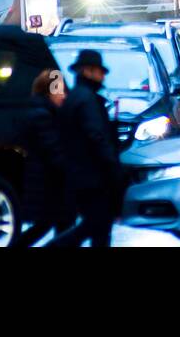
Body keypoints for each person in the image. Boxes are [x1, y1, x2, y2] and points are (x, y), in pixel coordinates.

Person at [48, 50, 124, 248]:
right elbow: (97, 137)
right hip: (92, 177)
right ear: (88, 71)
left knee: (98, 227)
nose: (103, 76)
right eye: (100, 71)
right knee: (96, 224)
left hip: (79, 175)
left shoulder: (75, 98)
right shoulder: (87, 101)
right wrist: (112, 166)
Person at [13, 69, 73, 247]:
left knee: (52, 225)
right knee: (49, 225)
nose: (64, 96)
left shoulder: (44, 112)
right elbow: (53, 150)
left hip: (50, 183)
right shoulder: (43, 115)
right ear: (49, 92)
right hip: (47, 184)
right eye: (60, 91)